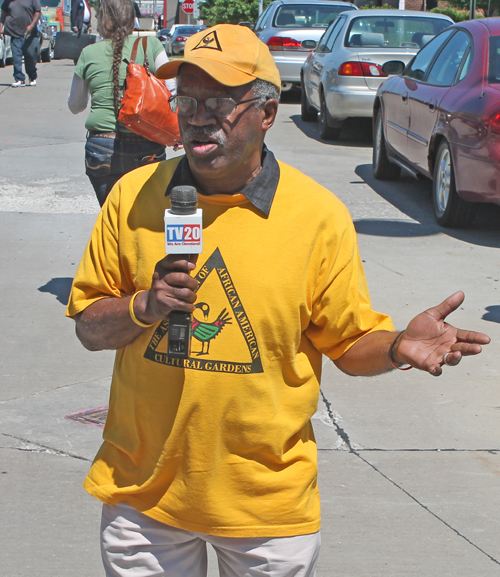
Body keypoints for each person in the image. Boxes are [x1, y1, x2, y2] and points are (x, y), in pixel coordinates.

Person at [66, 24, 490, 577]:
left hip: (267, 511)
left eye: (219, 101)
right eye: (186, 100)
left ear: (266, 113)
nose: (197, 115)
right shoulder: (133, 195)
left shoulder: (316, 216)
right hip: (143, 499)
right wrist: (142, 307)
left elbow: (348, 340)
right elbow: (88, 326)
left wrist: (395, 347)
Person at [68, 0, 176, 207]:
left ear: (102, 19)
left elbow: (76, 106)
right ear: (130, 18)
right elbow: (173, 90)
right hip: (147, 144)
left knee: (111, 217)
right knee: (144, 217)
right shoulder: (150, 45)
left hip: (102, 148)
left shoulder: (88, 53)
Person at [0, 0, 41, 87]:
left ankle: (32, 77)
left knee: (30, 55)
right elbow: (4, 12)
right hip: (15, 33)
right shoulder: (8, 1)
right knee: (16, 57)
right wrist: (1, 27)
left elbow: (38, 12)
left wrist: (32, 25)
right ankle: (19, 78)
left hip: (30, 34)